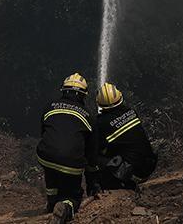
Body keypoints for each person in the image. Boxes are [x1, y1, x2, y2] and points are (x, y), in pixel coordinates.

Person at [36, 73, 99, 223]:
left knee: (52, 172)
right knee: (73, 194)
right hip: (72, 162)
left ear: (63, 91)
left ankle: (52, 202)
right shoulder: (89, 116)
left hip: (46, 156)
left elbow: (44, 133)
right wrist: (92, 183)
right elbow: (91, 154)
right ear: (83, 96)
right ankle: (66, 206)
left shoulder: (49, 106)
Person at [95, 83, 158, 191]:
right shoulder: (131, 112)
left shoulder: (102, 123)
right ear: (120, 98)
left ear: (99, 103)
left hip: (132, 171)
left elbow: (97, 148)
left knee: (96, 157)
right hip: (149, 163)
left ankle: (122, 185)